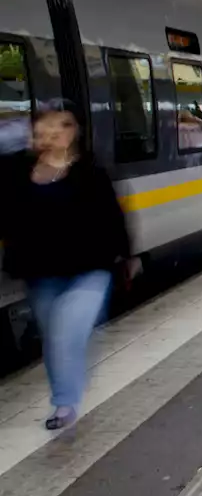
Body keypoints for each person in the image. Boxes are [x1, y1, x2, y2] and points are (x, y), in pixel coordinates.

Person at [1, 101, 132, 429]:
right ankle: (68, 386)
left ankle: (64, 404)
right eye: (45, 127)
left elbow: (114, 219)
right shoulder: (16, 170)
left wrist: (127, 256)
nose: (52, 134)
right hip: (40, 273)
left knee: (65, 332)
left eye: (61, 126)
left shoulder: (90, 171)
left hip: (89, 269)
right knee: (53, 337)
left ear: (74, 132)